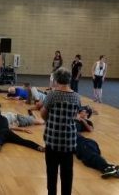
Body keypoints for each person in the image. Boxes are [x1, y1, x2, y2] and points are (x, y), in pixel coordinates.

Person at [40, 67, 80, 195]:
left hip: (52, 140)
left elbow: (43, 114)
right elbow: (75, 115)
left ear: (57, 79)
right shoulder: (76, 96)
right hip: (68, 142)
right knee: (67, 173)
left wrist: (50, 121)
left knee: (51, 173)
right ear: (69, 80)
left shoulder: (52, 95)